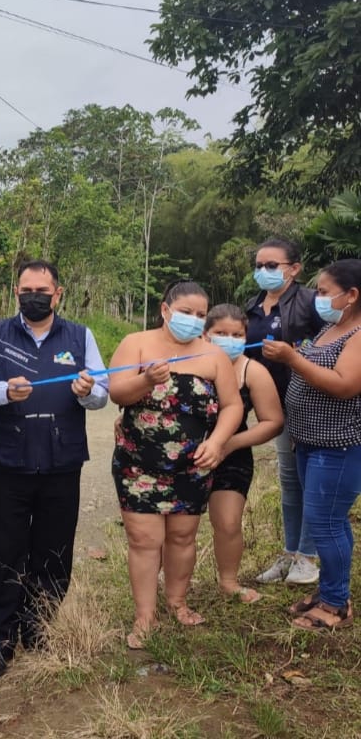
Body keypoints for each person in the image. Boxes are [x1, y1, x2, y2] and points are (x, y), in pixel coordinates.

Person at [0, 260, 109, 679]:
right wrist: (5, 391)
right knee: (3, 550)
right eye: (26, 290)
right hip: (10, 460)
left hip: (61, 461)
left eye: (42, 291)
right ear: (16, 292)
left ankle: (39, 627)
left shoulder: (80, 337)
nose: (33, 297)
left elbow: (102, 391)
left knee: (53, 550)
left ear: (58, 294)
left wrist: (87, 392)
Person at [109, 280, 242, 649]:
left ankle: (177, 602)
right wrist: (146, 380)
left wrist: (217, 442)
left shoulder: (214, 356)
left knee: (183, 536)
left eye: (200, 315)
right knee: (144, 540)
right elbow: (117, 392)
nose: (193, 320)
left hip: (193, 464)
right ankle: (145, 616)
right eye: (186, 312)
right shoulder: (136, 343)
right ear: (165, 310)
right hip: (138, 463)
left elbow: (233, 405)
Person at [263, 258, 361, 631]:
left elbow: (344, 385)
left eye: (323, 292)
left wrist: (292, 358)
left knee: (326, 523)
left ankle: (335, 604)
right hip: (308, 442)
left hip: (338, 446)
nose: (317, 298)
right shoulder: (331, 330)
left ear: (351, 295)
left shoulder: (358, 335)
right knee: (328, 521)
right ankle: (331, 591)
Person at [244, 239, 322, 586]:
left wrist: (297, 355)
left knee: (309, 480)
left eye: (272, 265)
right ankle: (291, 553)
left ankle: (309, 557)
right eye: (259, 265)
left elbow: (333, 346)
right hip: (272, 405)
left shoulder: (311, 303)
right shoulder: (253, 306)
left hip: (307, 401)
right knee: (289, 481)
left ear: (294, 268)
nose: (263, 271)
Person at [203, 305, 283, 604]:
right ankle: (168, 583)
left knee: (228, 522)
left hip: (232, 454)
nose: (229, 340)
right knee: (175, 527)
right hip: (182, 453)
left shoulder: (253, 371)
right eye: (221, 333)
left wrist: (229, 444)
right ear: (205, 335)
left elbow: (273, 422)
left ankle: (229, 581)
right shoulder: (187, 362)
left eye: (237, 335)